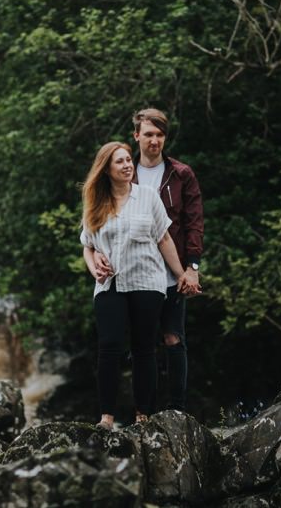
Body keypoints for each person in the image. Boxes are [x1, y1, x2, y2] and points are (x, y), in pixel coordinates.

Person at [92, 108, 203, 412]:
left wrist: (191, 269)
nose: (154, 140)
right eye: (149, 134)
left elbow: (193, 224)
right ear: (136, 136)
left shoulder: (181, 174)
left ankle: (178, 414)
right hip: (132, 275)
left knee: (172, 339)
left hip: (172, 270)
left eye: (160, 134)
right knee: (138, 345)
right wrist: (95, 254)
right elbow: (94, 231)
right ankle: (143, 413)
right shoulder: (124, 171)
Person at [80, 141, 187, 430]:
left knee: (143, 349)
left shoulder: (148, 196)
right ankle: (106, 418)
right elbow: (87, 246)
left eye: (129, 160)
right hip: (110, 284)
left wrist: (181, 275)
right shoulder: (96, 204)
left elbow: (164, 239)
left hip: (147, 282)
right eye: (120, 162)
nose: (128, 165)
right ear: (106, 169)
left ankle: (143, 415)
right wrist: (94, 268)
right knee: (109, 346)